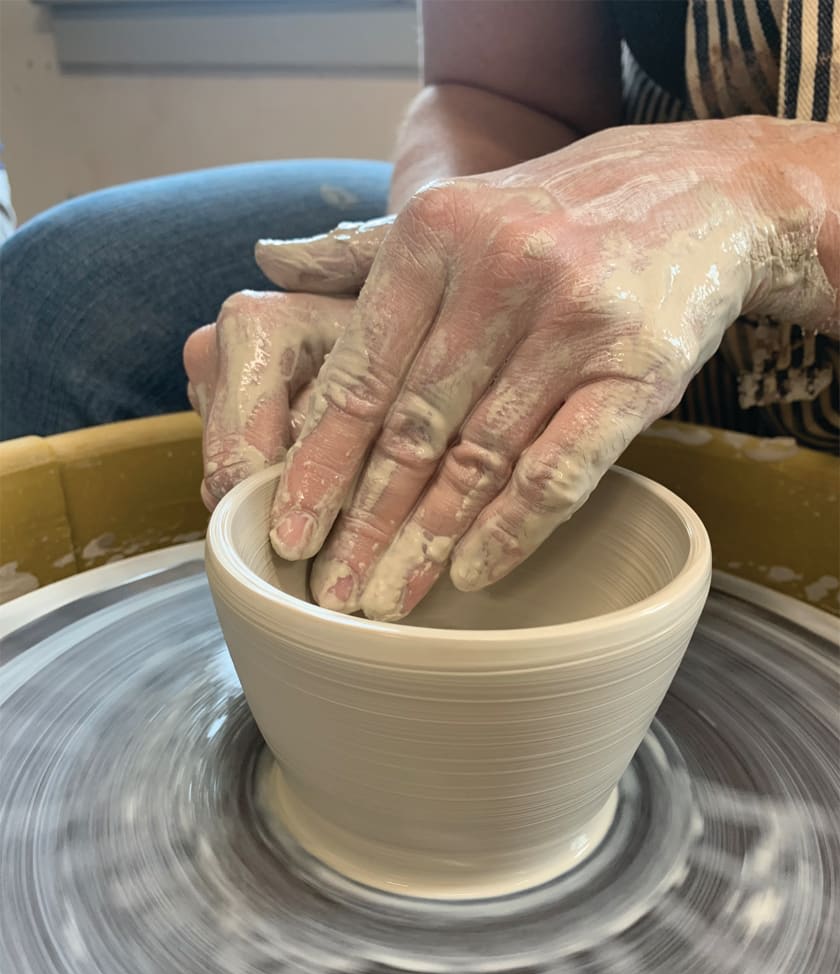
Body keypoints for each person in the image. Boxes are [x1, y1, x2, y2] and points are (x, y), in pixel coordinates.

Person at [2, 2, 837, 621]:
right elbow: (493, 94)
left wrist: (772, 202)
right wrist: (435, 292)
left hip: (740, 244)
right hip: (599, 266)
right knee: (67, 296)